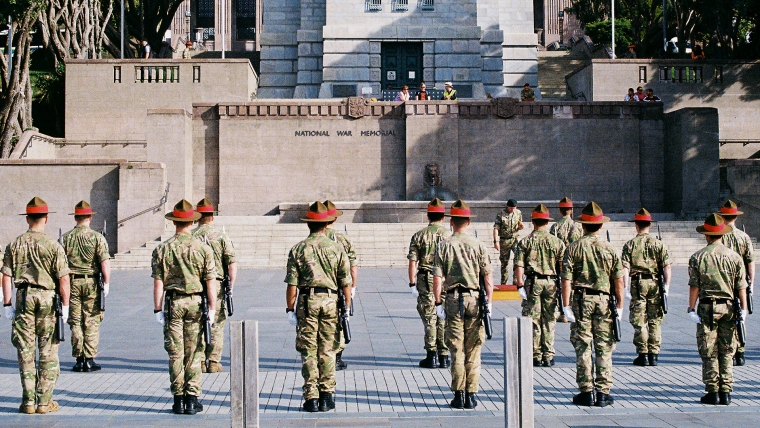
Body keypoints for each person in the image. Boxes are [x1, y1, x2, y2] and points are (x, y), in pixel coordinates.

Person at [2, 197, 71, 414]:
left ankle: (28, 402)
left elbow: (6, 276)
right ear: (46, 219)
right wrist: (66, 306)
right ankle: (44, 401)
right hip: (47, 298)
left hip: (24, 297)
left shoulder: (15, 244)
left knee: (25, 350)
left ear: (27, 219)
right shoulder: (53, 246)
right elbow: (64, 279)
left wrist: (7, 303)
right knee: (48, 350)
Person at [285, 201, 352, 413]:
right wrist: (346, 307)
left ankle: (311, 397)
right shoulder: (337, 248)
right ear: (326, 223)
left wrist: (290, 309)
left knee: (308, 350)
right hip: (331, 301)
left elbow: (292, 285)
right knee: (328, 349)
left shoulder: (298, 249)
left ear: (308, 224)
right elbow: (346, 282)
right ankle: (326, 396)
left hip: (307, 302)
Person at [152, 199, 217, 415]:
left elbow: (158, 282)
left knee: (175, 352)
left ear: (174, 222)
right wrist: (213, 308)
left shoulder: (162, 249)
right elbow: (210, 282)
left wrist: (157, 308)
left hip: (173, 303)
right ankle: (192, 398)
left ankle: (178, 399)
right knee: (194, 351)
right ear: (192, 222)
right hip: (196, 303)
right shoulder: (203, 249)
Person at [560, 201, 624, 407]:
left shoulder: (573, 248)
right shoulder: (610, 249)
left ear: (583, 225)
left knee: (583, 345)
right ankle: (603, 392)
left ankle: (586, 391)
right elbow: (619, 281)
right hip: (605, 301)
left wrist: (566, 305)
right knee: (604, 346)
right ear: (601, 225)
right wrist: (620, 305)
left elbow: (566, 279)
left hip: (581, 301)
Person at [433, 199, 493, 409]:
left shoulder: (443, 246)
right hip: (475, 299)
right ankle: (472, 395)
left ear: (451, 222)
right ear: (468, 222)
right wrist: (489, 302)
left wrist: (438, 303)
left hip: (452, 299)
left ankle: (458, 395)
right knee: (473, 349)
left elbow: (437, 279)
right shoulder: (479, 245)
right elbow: (487, 277)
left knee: (456, 348)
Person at [687, 213, 747, 405]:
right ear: (723, 234)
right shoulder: (734, 257)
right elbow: (741, 287)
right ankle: (726, 391)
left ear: (706, 235)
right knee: (727, 349)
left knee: (709, 349)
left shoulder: (698, 257)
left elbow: (694, 286)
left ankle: (713, 391)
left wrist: (691, 308)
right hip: (729, 307)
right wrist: (744, 309)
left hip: (707, 307)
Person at [62, 200, 111, 373]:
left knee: (75, 320)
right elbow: (105, 263)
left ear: (75, 217)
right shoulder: (97, 238)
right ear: (90, 217)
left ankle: (79, 359)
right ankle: (89, 359)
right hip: (91, 283)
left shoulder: (66, 238)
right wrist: (107, 283)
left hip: (72, 282)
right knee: (91, 320)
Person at [514, 204, 565, 367]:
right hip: (551, 283)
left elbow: (519, 265)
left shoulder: (525, 242)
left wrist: (520, 284)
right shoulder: (557, 242)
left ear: (533, 222)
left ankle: (536, 354)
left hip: (532, 282)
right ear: (547, 222)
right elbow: (562, 267)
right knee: (549, 319)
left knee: (533, 319)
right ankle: (548, 355)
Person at [192, 198, 237, 373]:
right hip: (217, 285)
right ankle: (213, 361)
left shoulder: (191, 237)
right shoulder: (221, 236)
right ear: (212, 216)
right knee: (216, 323)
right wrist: (230, 287)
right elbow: (231, 264)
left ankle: (200, 361)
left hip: (196, 285)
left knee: (197, 323)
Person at [621, 208, 671, 367]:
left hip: (638, 283)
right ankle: (654, 354)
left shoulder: (630, 245)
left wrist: (625, 287)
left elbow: (625, 268)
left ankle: (642, 353)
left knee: (639, 319)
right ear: (649, 225)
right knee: (655, 319)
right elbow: (667, 267)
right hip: (656, 283)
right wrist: (667, 286)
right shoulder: (659, 244)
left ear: (636, 225)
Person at [408, 198, 451, 369]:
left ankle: (431, 355)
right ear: (443, 217)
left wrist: (412, 283)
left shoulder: (419, 235)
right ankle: (444, 355)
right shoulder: (449, 235)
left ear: (428, 216)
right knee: (444, 315)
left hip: (426, 278)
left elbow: (412, 262)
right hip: (445, 279)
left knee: (429, 316)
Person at [715, 200, 755, 366]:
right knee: (740, 315)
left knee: (725, 318)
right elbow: (750, 263)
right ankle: (740, 352)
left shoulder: (719, 236)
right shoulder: (744, 237)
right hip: (740, 283)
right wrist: (751, 284)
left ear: (722, 217)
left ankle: (727, 351)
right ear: (736, 217)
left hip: (722, 283)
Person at [323, 200, 358, 371]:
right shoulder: (343, 239)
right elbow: (353, 267)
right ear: (335, 219)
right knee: (340, 321)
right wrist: (353, 288)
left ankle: (322, 358)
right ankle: (336, 357)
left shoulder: (312, 240)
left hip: (318, 290)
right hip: (340, 288)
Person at [550, 197, 582, 323]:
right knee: (574, 286)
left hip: (560, 262)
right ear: (571, 210)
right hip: (575, 261)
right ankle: (573, 310)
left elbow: (552, 246)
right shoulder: (578, 226)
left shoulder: (555, 227)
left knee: (561, 286)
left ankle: (563, 312)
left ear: (560, 211)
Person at [493, 199, 523, 285]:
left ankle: (516, 281)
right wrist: (495, 241)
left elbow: (519, 224)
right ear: (507, 206)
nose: (512, 210)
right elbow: (496, 228)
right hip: (504, 240)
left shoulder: (518, 213)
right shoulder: (501, 214)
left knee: (518, 259)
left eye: (514, 208)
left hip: (515, 239)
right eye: (511, 208)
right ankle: (504, 283)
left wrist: (520, 227)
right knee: (504, 263)